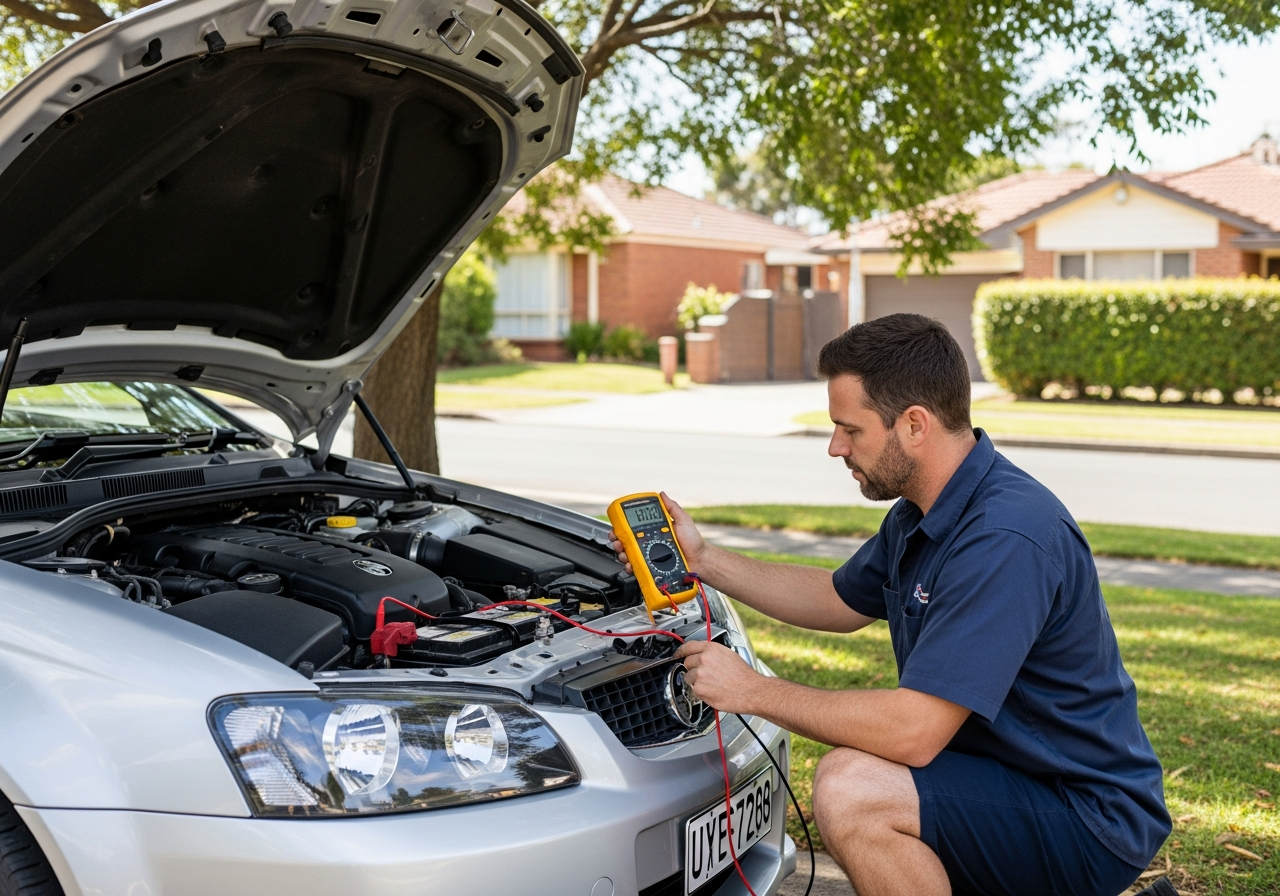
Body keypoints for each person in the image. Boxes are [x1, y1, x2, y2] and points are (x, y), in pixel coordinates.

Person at [610, 314, 1170, 896]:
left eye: (850, 429)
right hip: (1006, 780)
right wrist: (703, 560)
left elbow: (912, 732)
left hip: (1084, 814)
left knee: (853, 789)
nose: (836, 447)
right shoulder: (924, 510)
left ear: (914, 425)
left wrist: (752, 691)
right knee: (862, 781)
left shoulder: (1004, 536)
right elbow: (836, 598)